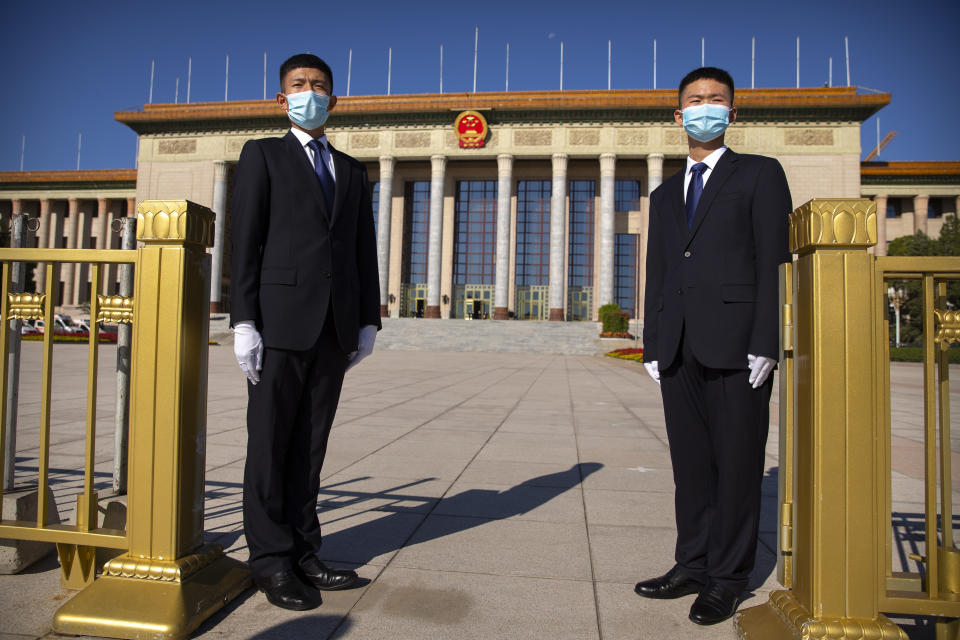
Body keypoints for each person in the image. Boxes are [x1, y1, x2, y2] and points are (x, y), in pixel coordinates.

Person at [636, 67, 791, 625]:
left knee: (739, 465)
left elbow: (776, 259)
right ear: (677, 116)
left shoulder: (759, 174)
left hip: (737, 347)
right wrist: (652, 342)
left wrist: (767, 339)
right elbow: (659, 274)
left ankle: (727, 579)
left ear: (732, 112)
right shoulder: (664, 192)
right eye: (694, 101)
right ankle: (691, 565)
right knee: (692, 468)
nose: (705, 107)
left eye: (715, 100)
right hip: (678, 346)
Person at [230, 53, 381, 611]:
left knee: (311, 446)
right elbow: (245, 240)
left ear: (334, 100)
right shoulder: (263, 156)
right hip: (278, 323)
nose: (309, 92)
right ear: (281, 98)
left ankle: (303, 550)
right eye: (299, 85)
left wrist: (368, 318)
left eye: (319, 86)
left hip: (333, 325)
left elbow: (361, 249)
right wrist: (244, 320)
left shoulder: (351, 169)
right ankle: (269, 560)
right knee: (270, 445)